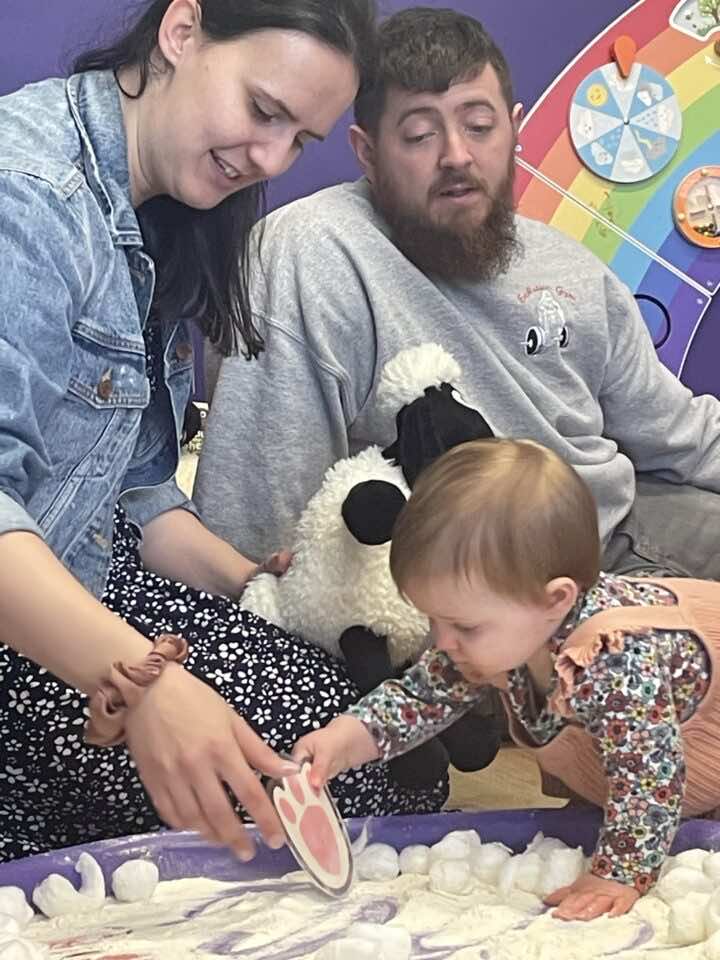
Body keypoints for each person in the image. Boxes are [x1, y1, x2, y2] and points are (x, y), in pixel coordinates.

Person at [0, 0, 450, 864]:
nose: (272, 160)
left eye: (300, 141)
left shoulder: (155, 212)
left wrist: (255, 581)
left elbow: (132, 491)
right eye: (265, 112)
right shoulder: (32, 198)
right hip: (30, 614)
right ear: (180, 32)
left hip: (84, 577)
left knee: (383, 750)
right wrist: (148, 681)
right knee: (282, 779)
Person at [195, 6, 720, 582]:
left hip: (615, 528)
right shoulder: (307, 253)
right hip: (467, 585)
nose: (456, 156)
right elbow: (255, 532)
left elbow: (678, 433)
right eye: (419, 134)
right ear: (367, 153)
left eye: (479, 125)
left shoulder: (571, 267)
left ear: (515, 129)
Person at [294, 438, 720, 921]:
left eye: (464, 626)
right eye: (434, 620)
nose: (441, 641)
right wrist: (344, 738)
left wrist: (618, 873)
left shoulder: (616, 662)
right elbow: (420, 697)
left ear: (555, 601)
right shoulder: (506, 626)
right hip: (652, 759)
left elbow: (649, 776)